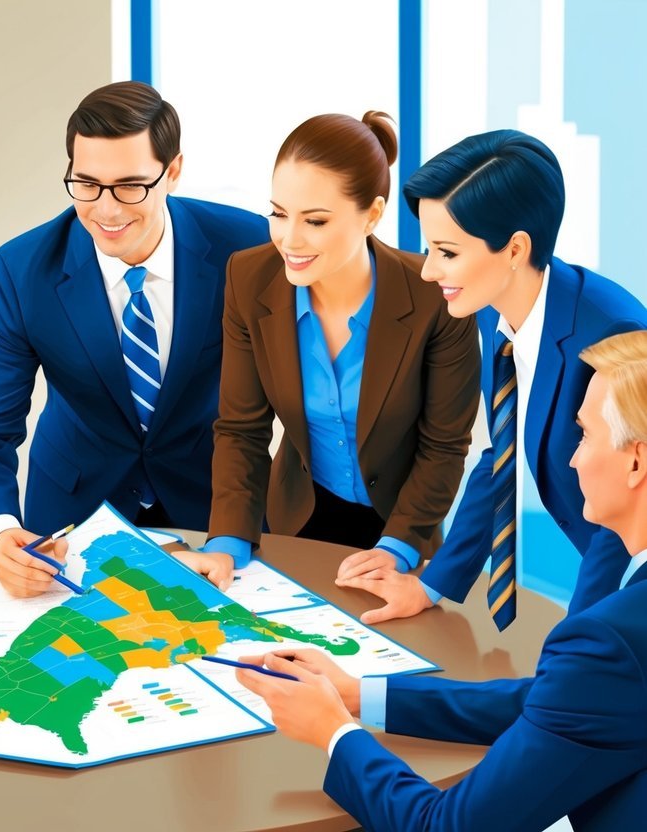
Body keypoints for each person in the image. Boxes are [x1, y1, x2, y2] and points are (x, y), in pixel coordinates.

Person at [235, 329, 647, 831]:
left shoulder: (609, 642)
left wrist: (334, 732)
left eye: (583, 435)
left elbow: (447, 826)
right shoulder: (615, 645)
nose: (572, 458)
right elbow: (560, 701)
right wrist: (356, 694)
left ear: (635, 461)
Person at [0, 81, 269, 597]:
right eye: (87, 183)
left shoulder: (245, 246)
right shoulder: (23, 269)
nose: (106, 209)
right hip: (72, 517)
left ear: (173, 172)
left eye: (130, 186)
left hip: (215, 510)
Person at [337, 129, 647, 628]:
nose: (428, 271)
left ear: (515, 249)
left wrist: (580, 640)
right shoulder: (489, 306)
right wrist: (432, 583)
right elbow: (502, 452)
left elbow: (628, 506)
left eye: (448, 252)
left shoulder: (611, 334)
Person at [198, 112, 479, 571]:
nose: (289, 240)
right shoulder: (249, 280)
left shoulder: (433, 295)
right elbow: (241, 429)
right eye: (279, 213)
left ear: (372, 214)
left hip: (402, 525)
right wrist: (228, 539)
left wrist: (398, 548)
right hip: (298, 517)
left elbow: (444, 446)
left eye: (315, 221)